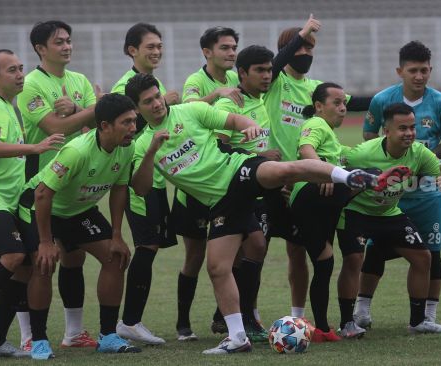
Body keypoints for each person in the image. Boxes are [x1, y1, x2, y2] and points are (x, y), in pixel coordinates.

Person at [125, 72, 401, 354]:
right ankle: (237, 338)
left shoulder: (189, 111)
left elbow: (232, 120)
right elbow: (141, 187)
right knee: (217, 268)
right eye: (148, 101)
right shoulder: (143, 144)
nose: (157, 103)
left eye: (158, 96)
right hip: (220, 203)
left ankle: (349, 177)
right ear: (137, 108)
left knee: (285, 169)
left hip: (236, 171)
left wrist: (250, 126)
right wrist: (151, 152)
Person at [262, 15, 372, 332]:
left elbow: (355, 102)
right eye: (302, 48)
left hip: (315, 181)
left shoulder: (316, 89)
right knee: (290, 251)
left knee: (311, 248)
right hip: (280, 179)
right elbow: (276, 61)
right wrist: (303, 33)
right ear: (289, 47)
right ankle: (296, 314)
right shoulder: (275, 83)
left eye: (312, 49)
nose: (307, 54)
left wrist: (396, 96)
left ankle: (317, 319)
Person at [18, 93, 142, 359]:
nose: (133, 128)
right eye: (126, 122)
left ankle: (108, 335)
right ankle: (38, 341)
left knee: (116, 256)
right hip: (39, 207)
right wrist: (45, 242)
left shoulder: (127, 146)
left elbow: (120, 188)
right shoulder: (77, 151)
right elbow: (42, 194)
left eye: (134, 121)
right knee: (44, 263)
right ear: (105, 125)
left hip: (78, 210)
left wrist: (118, 235)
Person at [0, 49, 63, 358]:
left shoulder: (8, 106)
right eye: (11, 70)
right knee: (13, 255)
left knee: (26, 266)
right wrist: (35, 146)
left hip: (11, 200)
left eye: (20, 68)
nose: (19, 74)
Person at [355, 40, 441, 329]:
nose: (419, 76)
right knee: (375, 250)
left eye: (424, 70)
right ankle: (362, 310)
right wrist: (392, 165)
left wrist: (420, 161)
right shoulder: (382, 100)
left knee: (432, 253)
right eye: (413, 70)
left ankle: (428, 317)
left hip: (427, 193)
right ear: (400, 70)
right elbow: (368, 134)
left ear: (430, 70)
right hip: (390, 193)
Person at [15, 20, 100, 350]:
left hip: (74, 187)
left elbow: (99, 121)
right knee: (40, 262)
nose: (67, 46)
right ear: (41, 48)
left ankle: (73, 334)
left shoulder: (78, 80)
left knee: (73, 258)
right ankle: (27, 337)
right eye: (59, 42)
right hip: (41, 184)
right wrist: (88, 111)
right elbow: (54, 126)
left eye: (68, 41)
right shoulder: (30, 84)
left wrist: (79, 108)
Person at [110, 22, 179, 346]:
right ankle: (130, 321)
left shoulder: (151, 82)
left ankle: (131, 320)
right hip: (137, 178)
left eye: (159, 46)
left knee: (150, 248)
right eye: (150, 46)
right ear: (131, 50)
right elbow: (126, 133)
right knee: (146, 247)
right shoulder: (128, 85)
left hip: (154, 178)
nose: (156, 51)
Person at [174, 26, 242, 342]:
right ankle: (183, 323)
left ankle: (223, 317)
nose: (231, 53)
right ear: (207, 52)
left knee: (234, 250)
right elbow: (188, 111)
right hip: (195, 183)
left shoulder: (235, 79)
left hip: (225, 175)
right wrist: (216, 95)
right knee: (195, 255)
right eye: (225, 48)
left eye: (233, 47)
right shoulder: (195, 81)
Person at [213, 45, 284, 343]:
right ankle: (236, 319)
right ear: (242, 73)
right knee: (238, 255)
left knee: (255, 249)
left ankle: (240, 316)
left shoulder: (260, 98)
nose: (268, 76)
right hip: (232, 190)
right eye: (260, 70)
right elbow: (216, 147)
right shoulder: (230, 105)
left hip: (258, 189)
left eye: (269, 70)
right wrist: (260, 156)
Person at [288, 82, 367, 340]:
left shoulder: (331, 135)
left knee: (325, 262)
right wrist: (321, 168)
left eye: (344, 103)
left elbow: (345, 156)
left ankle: (322, 329)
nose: (343, 108)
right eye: (337, 103)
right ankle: (373, 181)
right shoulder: (316, 124)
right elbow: (305, 149)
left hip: (322, 204)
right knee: (364, 179)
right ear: (319, 106)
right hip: (309, 198)